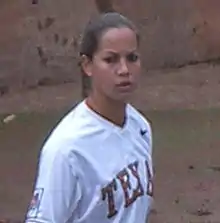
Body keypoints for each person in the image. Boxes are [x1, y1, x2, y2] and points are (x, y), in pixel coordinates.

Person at [24, 12, 154, 223]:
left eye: (132, 58)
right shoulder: (66, 149)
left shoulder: (140, 126)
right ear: (87, 65)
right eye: (110, 59)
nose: (124, 70)